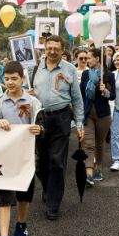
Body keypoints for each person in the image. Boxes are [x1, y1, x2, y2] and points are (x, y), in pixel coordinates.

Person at [0, 61, 44, 236]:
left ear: (22, 78)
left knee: (24, 194)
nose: (10, 82)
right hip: (4, 157)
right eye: (7, 79)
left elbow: (42, 124)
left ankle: (21, 223)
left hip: (26, 157)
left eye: (14, 78)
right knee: (4, 197)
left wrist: (40, 129)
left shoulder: (33, 102)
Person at [31, 35, 84, 220]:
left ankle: (53, 204)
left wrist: (79, 123)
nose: (52, 51)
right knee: (42, 163)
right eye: (49, 48)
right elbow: (27, 94)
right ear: (45, 49)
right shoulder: (35, 68)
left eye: (56, 49)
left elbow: (77, 98)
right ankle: (47, 187)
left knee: (57, 162)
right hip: (41, 120)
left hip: (61, 119)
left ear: (63, 51)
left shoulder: (69, 69)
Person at [79, 48, 115, 185]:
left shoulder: (108, 75)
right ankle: (89, 174)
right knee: (88, 144)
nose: (87, 61)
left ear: (98, 58)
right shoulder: (85, 74)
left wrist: (105, 91)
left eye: (89, 58)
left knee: (99, 144)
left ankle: (98, 168)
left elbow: (113, 96)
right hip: (87, 113)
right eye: (86, 58)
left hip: (103, 114)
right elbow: (81, 94)